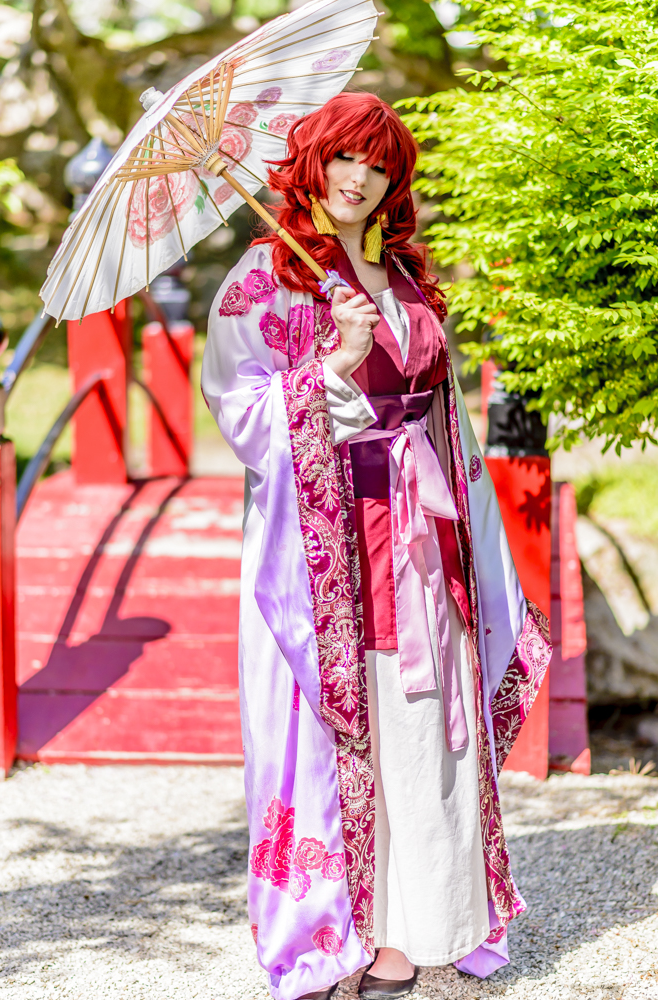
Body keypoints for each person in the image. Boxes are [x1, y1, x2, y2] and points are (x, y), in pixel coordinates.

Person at [201, 92, 551, 1000]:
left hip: (422, 533)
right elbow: (239, 411)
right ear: (310, 165)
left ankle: (417, 929)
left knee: (421, 719)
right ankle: (333, 938)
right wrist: (331, 369)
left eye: (379, 163)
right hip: (326, 537)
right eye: (342, 158)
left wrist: (475, 537)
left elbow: (442, 411)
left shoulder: (402, 272)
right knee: (332, 730)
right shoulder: (263, 278)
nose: (358, 178)